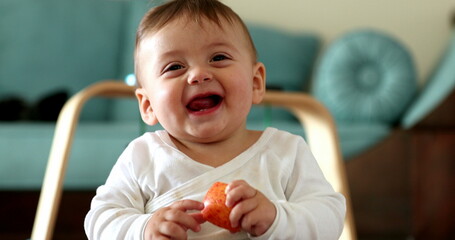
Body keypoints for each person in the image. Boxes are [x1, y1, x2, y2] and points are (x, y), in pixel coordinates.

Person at [84, 0, 346, 239]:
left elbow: (329, 218)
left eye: (218, 58)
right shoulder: (142, 157)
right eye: (174, 67)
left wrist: (276, 218)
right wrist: (144, 229)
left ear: (256, 83)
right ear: (148, 104)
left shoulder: (286, 152)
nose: (198, 74)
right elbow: (100, 221)